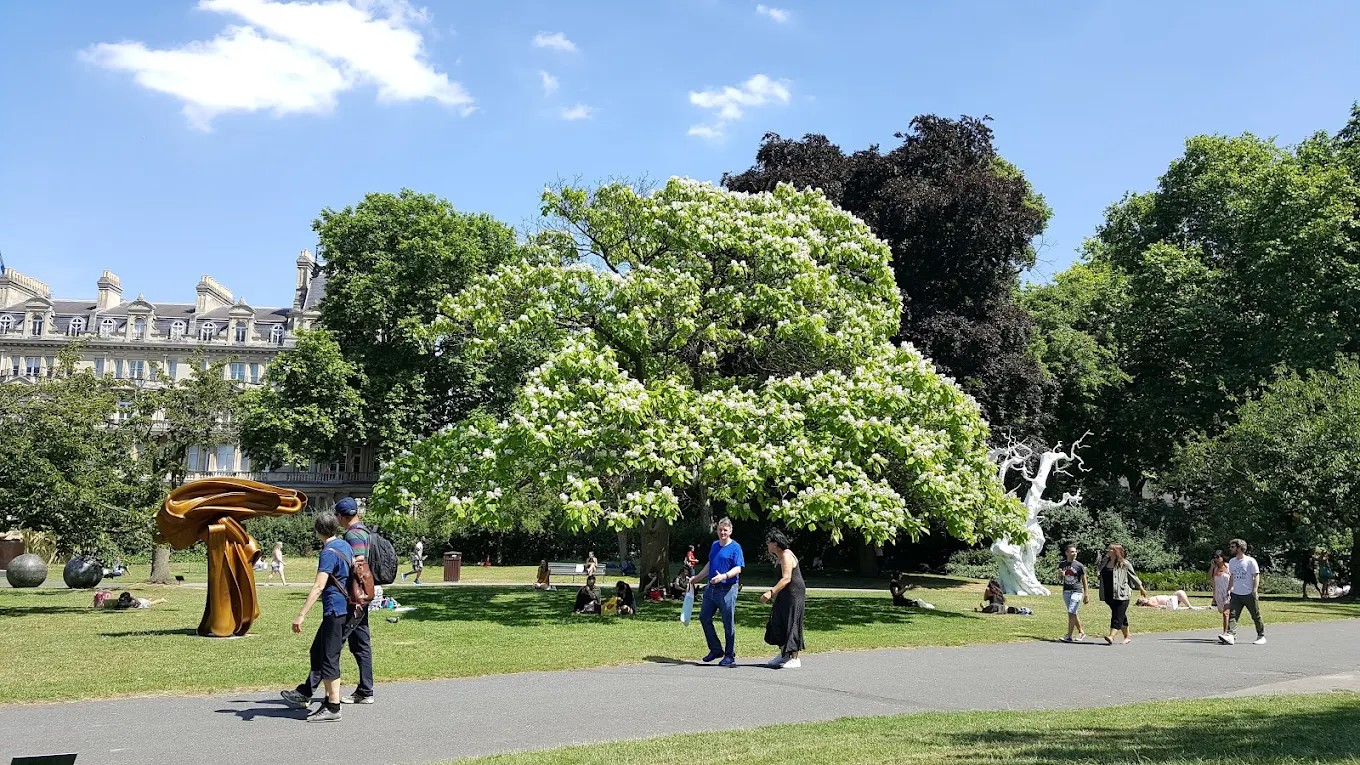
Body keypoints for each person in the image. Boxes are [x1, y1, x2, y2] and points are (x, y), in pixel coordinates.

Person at [282, 497, 376, 708]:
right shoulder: (362, 533)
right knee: (352, 646)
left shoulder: (348, 538)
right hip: (356, 601)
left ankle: (327, 701)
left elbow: (351, 573)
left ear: (341, 517)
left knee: (330, 652)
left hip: (348, 603)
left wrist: (302, 614)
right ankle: (362, 689)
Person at [281, 511, 351, 723]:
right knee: (318, 650)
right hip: (344, 609)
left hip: (334, 610)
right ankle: (311, 693)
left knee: (329, 658)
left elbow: (319, 586)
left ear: (317, 530)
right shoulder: (344, 545)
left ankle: (333, 706)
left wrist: (301, 615)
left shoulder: (328, 552)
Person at [691, 516, 745, 666]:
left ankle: (729, 655)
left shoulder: (735, 547)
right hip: (711, 589)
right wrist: (697, 577)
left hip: (728, 589)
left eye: (725, 530)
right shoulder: (715, 545)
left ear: (730, 531)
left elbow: (738, 568)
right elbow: (710, 563)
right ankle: (715, 649)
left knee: (728, 623)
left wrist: (724, 576)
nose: (722, 533)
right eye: (720, 530)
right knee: (704, 617)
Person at [761, 530, 805, 668]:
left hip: (793, 593)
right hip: (784, 593)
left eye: (770, 542)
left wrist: (771, 592)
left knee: (792, 621)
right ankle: (784, 655)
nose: (768, 545)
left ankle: (795, 658)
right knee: (779, 620)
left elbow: (786, 578)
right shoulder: (779, 556)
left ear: (776, 544)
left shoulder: (786, 555)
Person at [1097, 543, 1148, 645]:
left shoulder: (1124, 564)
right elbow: (1100, 573)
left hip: (1122, 594)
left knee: (1116, 615)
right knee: (1121, 615)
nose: (1108, 550)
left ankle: (1111, 636)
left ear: (1116, 552)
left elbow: (1134, 577)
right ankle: (1127, 636)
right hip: (1108, 594)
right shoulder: (1105, 562)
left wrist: (1141, 588)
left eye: (1111, 549)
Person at [1220, 538, 1265, 645]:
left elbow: (1256, 576)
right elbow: (1232, 576)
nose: (1230, 549)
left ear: (1239, 548)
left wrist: (1254, 590)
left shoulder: (1250, 561)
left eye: (1232, 547)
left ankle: (1261, 635)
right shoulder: (1232, 561)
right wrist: (1229, 588)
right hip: (1236, 594)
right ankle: (1231, 635)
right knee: (1233, 615)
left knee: (1255, 615)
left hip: (1248, 594)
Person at [1058, 543, 1089, 642]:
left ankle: (1069, 636)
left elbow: (1084, 580)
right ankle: (1081, 632)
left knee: (1071, 611)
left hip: (1077, 591)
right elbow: (1059, 578)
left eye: (1075, 551)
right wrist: (1061, 575)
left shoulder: (1079, 565)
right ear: (1067, 553)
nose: (1074, 553)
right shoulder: (1062, 564)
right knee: (1073, 613)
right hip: (1066, 591)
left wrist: (1086, 594)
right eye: (1072, 552)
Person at [1210, 550, 1231, 636]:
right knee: (1223, 612)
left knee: (1226, 613)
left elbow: (1233, 579)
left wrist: (1231, 589)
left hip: (1228, 592)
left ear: (1222, 557)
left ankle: (1225, 633)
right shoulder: (1215, 568)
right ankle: (1230, 631)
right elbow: (1209, 578)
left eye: (1218, 557)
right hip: (1218, 593)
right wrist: (1212, 567)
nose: (1216, 559)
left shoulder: (1229, 567)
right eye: (1214, 557)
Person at [1136, 590, 1207, 610]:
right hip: (1170, 601)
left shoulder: (1149, 599)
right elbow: (1156, 606)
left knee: (1180, 592)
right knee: (1180, 593)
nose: (1143, 598)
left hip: (1171, 598)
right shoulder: (1149, 602)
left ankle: (1190, 606)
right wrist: (1147, 603)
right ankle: (1190, 606)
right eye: (1142, 600)